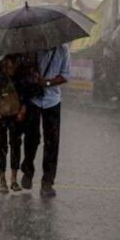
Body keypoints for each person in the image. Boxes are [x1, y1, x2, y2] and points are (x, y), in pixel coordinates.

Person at [21, 44, 71, 197]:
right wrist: (32, 75)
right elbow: (24, 70)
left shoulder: (63, 50)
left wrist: (47, 82)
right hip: (34, 99)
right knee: (32, 138)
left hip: (53, 100)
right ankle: (28, 170)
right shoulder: (34, 49)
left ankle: (47, 182)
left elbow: (65, 76)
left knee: (52, 142)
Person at [0, 54, 28, 193]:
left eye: (14, 67)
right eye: (10, 67)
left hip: (16, 113)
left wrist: (23, 109)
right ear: (5, 63)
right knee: (1, 145)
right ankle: (2, 180)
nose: (12, 70)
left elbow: (25, 92)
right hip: (0, 113)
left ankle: (14, 179)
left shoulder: (22, 71)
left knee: (16, 144)